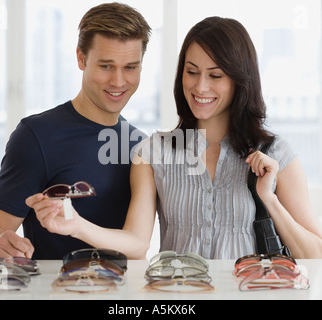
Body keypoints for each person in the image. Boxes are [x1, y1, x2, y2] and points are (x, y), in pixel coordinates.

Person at [27, 17, 322, 259]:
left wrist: (269, 199)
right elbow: (136, 242)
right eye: (191, 72)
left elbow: (315, 254)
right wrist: (76, 225)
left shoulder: (275, 153)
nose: (200, 86)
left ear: (239, 81)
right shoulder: (153, 151)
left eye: (216, 76)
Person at [0, 2, 152, 260]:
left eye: (130, 67)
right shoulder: (36, 136)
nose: (118, 81)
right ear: (81, 59)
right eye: (106, 66)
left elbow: (138, 245)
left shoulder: (140, 145)